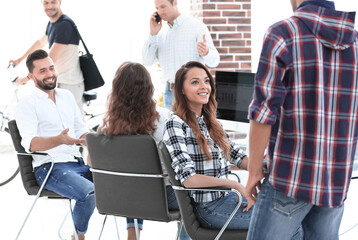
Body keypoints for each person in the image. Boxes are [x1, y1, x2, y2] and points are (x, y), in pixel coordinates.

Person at [245, 0, 358, 239]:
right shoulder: (355, 42)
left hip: (290, 178)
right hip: (335, 182)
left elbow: (263, 113)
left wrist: (254, 170)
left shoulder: (282, 34)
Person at [96, 61, 190, 240]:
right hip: (160, 199)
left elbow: (93, 163)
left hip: (120, 198)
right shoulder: (166, 119)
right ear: (149, 88)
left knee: (133, 178)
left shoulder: (108, 126)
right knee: (194, 197)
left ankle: (132, 233)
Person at [163, 61, 252, 231]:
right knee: (287, 225)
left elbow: (236, 155)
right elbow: (189, 179)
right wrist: (234, 185)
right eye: (195, 82)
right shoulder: (176, 124)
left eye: (206, 81)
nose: (204, 86)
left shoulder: (209, 121)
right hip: (209, 208)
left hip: (227, 200)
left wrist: (265, 166)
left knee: (287, 215)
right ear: (181, 89)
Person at [14, 49, 94, 240]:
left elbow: (81, 129)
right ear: (31, 76)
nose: (49, 74)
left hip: (78, 163)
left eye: (51, 68)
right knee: (89, 193)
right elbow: (31, 144)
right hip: (50, 168)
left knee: (126, 183)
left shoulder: (66, 96)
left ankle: (132, 234)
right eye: (42, 71)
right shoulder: (27, 104)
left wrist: (95, 143)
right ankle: (78, 237)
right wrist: (59, 140)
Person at [142, 0, 220, 109]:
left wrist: (206, 52)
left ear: (174, 3)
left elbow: (214, 61)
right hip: (170, 94)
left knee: (193, 126)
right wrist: (153, 34)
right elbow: (147, 61)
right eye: (157, 8)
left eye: (163, 7)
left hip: (191, 93)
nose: (160, 12)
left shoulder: (196, 26)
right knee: (171, 126)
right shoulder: (160, 34)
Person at [9, 0, 84, 112]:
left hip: (69, 84)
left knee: (73, 125)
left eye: (53, 2)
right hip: (59, 82)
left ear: (60, 2)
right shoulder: (53, 23)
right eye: (46, 3)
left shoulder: (64, 25)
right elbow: (40, 43)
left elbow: (50, 59)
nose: (49, 6)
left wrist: (26, 78)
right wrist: (19, 60)